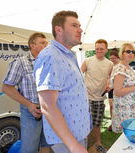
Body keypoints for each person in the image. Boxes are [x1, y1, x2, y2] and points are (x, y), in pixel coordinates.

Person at [33, 11, 91, 153]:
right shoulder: (51, 56)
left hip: (77, 134)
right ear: (59, 30)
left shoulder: (66, 55)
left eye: (79, 25)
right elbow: (47, 105)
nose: (80, 29)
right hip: (68, 140)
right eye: (74, 25)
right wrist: (73, 146)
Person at [2, 32, 50, 153]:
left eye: (46, 42)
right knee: (29, 149)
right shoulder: (20, 62)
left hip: (49, 111)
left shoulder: (48, 63)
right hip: (31, 113)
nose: (46, 44)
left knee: (46, 144)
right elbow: (6, 87)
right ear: (32, 45)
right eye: (42, 43)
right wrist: (29, 105)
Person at [81, 39, 113, 153]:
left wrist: (109, 85)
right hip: (87, 98)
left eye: (101, 49)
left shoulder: (110, 64)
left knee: (97, 123)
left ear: (106, 50)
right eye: (97, 49)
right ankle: (85, 146)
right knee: (86, 123)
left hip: (100, 98)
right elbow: (79, 75)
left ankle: (98, 143)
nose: (99, 51)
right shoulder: (88, 61)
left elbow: (111, 78)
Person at [110, 43, 135, 133]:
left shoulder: (128, 68)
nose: (131, 53)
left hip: (131, 106)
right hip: (124, 108)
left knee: (131, 131)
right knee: (128, 133)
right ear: (122, 54)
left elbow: (128, 85)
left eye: (133, 52)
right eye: (128, 51)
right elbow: (118, 91)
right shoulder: (120, 69)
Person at [108, 48, 120, 131]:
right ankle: (112, 122)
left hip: (116, 88)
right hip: (110, 88)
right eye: (111, 58)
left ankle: (117, 122)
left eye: (114, 58)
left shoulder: (119, 66)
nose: (112, 60)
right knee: (111, 106)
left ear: (118, 57)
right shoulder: (110, 66)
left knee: (116, 106)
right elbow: (108, 77)